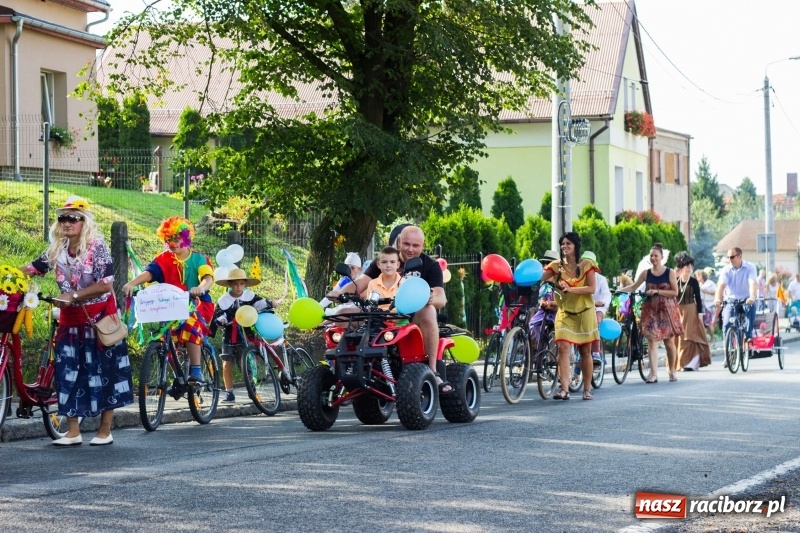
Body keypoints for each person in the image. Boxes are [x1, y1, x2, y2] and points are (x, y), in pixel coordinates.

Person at [23, 196, 133, 446]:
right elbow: (33, 268)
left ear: (85, 222)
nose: (67, 222)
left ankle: (105, 430)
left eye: (73, 218)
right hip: (71, 320)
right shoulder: (57, 248)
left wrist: (73, 296)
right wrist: (9, 276)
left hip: (99, 320)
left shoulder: (98, 247)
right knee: (67, 371)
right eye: (63, 218)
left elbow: (105, 284)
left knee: (106, 371)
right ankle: (73, 432)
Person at [331, 225, 449, 393]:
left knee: (429, 310)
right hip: (378, 314)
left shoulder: (430, 266)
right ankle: (347, 367)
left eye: (415, 246)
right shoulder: (386, 260)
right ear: (399, 242)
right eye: (406, 244)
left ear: (423, 246)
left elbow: (441, 297)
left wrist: (430, 298)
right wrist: (339, 293)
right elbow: (360, 283)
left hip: (409, 317)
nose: (410, 249)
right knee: (342, 314)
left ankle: (433, 370)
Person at [122, 217, 214, 383]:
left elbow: (207, 277)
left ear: (186, 238)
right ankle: (178, 376)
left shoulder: (199, 258)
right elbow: (150, 273)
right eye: (168, 240)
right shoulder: (164, 258)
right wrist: (132, 283)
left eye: (176, 239)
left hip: (197, 304)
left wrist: (201, 288)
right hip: (170, 305)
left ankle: (196, 369)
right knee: (164, 337)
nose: (172, 243)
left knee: (189, 324)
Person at [539, 232, 599, 401]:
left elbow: (592, 288)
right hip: (565, 312)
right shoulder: (556, 266)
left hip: (584, 312)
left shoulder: (587, 265)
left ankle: (587, 389)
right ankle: (564, 389)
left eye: (568, 243)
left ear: (576, 246)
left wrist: (571, 289)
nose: (564, 246)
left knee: (585, 352)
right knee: (563, 348)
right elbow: (539, 277)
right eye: (563, 243)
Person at [618, 242, 683, 383]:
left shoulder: (669, 272)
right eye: (651, 256)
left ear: (661, 257)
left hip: (666, 310)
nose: (653, 258)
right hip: (650, 310)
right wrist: (618, 291)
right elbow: (633, 287)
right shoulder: (646, 273)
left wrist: (657, 291)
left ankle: (672, 370)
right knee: (652, 341)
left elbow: (675, 292)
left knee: (669, 343)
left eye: (656, 256)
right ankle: (653, 374)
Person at [211, 268, 274, 402]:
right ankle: (229, 393)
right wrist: (221, 320)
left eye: (241, 284)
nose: (239, 287)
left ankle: (252, 388)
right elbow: (219, 314)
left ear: (245, 284)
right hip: (230, 334)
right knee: (227, 363)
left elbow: (259, 304)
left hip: (246, 333)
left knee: (247, 362)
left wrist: (270, 303)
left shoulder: (249, 296)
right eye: (235, 284)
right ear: (230, 285)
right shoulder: (224, 300)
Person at [674, 252, 711, 371]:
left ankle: (691, 363)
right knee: (679, 337)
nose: (690, 268)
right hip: (678, 311)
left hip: (691, 310)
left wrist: (700, 314)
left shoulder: (694, 281)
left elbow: (698, 299)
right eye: (687, 266)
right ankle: (680, 363)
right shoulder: (675, 280)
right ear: (681, 267)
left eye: (691, 266)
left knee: (690, 336)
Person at [714, 247, 757, 342]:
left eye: (732, 257)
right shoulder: (726, 269)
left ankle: (749, 335)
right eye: (728, 257)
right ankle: (727, 347)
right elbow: (721, 286)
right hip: (731, 300)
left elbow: (752, 283)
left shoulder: (750, 267)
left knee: (752, 307)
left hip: (746, 299)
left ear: (740, 256)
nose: (729, 259)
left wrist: (752, 297)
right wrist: (717, 299)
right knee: (726, 325)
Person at [582, 251, 611, 367]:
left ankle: (596, 351)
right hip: (582, 307)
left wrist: (602, 302)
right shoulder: (579, 278)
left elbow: (606, 295)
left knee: (596, 320)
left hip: (597, 308)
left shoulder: (601, 279)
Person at [528, 250, 560, 353]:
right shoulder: (543, 285)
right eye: (544, 263)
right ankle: (534, 350)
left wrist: (552, 304)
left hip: (557, 314)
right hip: (543, 313)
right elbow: (542, 298)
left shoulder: (560, 283)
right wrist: (543, 303)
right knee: (532, 324)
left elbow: (564, 302)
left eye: (549, 263)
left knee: (559, 334)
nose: (546, 266)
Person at [694, 268, 717, 343]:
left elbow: (716, 291)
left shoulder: (710, 283)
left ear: (702, 276)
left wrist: (707, 291)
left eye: (698, 276)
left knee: (708, 323)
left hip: (709, 305)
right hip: (702, 306)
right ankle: (704, 340)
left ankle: (712, 339)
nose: (697, 277)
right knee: (703, 324)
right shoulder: (700, 284)